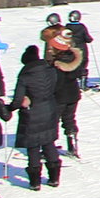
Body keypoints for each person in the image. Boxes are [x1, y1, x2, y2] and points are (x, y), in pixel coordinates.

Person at [12, 46, 64, 190]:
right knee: (48, 142)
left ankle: (35, 181)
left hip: (32, 112)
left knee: (33, 146)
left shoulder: (25, 76)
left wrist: (9, 108)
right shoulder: (51, 70)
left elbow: (17, 100)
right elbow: (57, 87)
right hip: (49, 109)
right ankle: (54, 178)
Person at [41, 20, 86, 156]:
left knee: (53, 121)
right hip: (73, 94)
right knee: (69, 119)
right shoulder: (74, 58)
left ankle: (49, 148)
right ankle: (72, 144)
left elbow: (55, 82)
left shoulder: (57, 64)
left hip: (59, 96)